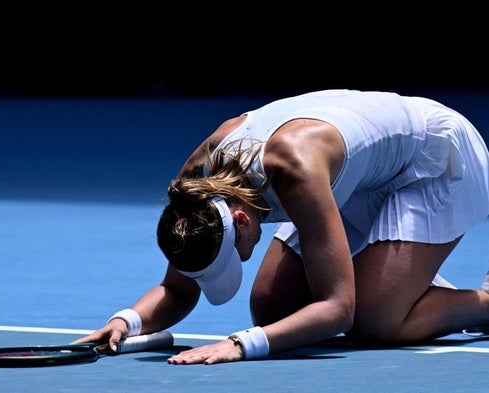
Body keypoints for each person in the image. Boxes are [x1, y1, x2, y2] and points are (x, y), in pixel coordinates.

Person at [73, 89, 489, 365]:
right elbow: (179, 289)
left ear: (241, 218)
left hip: (433, 161)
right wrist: (126, 322)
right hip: (360, 175)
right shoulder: (195, 192)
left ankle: (482, 300)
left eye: (233, 254)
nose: (241, 258)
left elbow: (337, 309)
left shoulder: (296, 170)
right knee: (272, 308)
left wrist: (241, 344)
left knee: (374, 318)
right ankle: (407, 282)